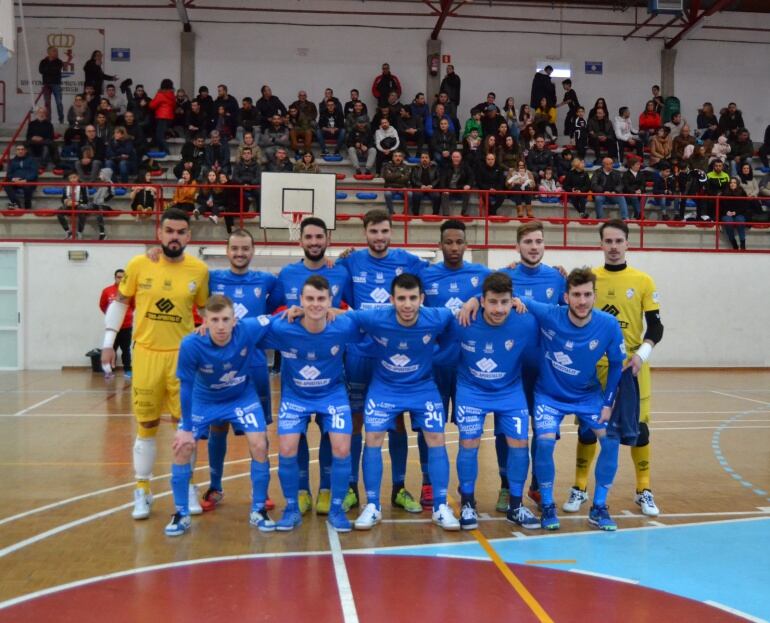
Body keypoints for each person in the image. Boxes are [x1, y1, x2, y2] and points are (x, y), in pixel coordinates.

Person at [101, 208, 209, 520]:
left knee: (184, 427)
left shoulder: (199, 271)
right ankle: (142, 490)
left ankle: (186, 486)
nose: (175, 236)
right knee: (146, 425)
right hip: (146, 354)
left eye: (181, 232)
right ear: (159, 234)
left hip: (182, 359)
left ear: (188, 236)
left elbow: (205, 312)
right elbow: (120, 304)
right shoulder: (138, 265)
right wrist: (108, 345)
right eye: (169, 231)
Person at [564, 220, 664, 518]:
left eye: (619, 241)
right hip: (594, 367)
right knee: (587, 429)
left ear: (627, 243)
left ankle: (643, 489)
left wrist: (641, 356)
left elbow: (656, 326)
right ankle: (580, 487)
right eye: (608, 241)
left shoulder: (643, 281)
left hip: (631, 367)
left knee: (641, 430)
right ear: (601, 244)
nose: (614, 246)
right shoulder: (589, 279)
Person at [349, 273, 459, 531]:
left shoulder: (438, 316)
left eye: (412, 298)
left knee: (436, 438)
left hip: (422, 387)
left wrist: (476, 301)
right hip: (385, 388)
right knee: (373, 437)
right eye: (401, 298)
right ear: (391, 299)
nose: (407, 305)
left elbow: (460, 320)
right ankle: (373, 505)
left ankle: (441, 507)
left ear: (422, 298)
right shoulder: (376, 317)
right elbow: (346, 317)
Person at [336, 210, 429, 513]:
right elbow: (331, 284)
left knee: (396, 421)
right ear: (365, 233)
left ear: (392, 232)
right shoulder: (351, 262)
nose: (379, 237)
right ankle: (351, 488)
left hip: (394, 355)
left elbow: (438, 278)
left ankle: (399, 488)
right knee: (357, 420)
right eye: (374, 232)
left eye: (384, 231)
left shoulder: (409, 261)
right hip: (361, 353)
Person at [521, 267, 626, 531]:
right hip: (548, 394)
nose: (582, 301)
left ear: (594, 296)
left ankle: (599, 507)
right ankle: (546, 504)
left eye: (587, 295)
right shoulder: (549, 314)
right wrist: (478, 298)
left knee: (611, 440)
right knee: (544, 443)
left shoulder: (608, 325)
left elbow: (616, 365)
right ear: (566, 297)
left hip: (588, 395)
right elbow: (513, 296)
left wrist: (608, 402)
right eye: (576, 295)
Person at [168, 294, 274, 536]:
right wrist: (185, 427)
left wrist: (295, 311)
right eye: (214, 320)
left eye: (226, 319)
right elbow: (185, 385)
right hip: (204, 400)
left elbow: (277, 319)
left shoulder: (248, 329)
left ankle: (259, 509)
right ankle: (181, 513)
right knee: (182, 447)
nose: (221, 326)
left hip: (241, 397)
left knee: (260, 443)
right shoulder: (191, 344)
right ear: (204, 320)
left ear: (235, 320)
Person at [270, 218, 354, 515]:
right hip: (296, 374)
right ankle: (302, 490)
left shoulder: (340, 271)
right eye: (309, 237)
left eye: (320, 236)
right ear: (300, 240)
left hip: (331, 366)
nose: (315, 242)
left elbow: (352, 309)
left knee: (334, 437)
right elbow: (275, 310)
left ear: (327, 238)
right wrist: (290, 310)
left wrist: (338, 310)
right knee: (297, 436)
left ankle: (328, 490)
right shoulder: (288, 274)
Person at [265, 276, 360, 532]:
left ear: (329, 301)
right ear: (300, 301)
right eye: (309, 299)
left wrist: (341, 311)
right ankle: (292, 508)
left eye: (321, 299)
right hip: (295, 398)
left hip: (332, 395)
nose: (315, 304)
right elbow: (249, 327)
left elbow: (377, 320)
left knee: (341, 448)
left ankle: (337, 510)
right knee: (286, 448)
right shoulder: (284, 326)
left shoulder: (343, 326)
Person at [195, 229, 279, 512]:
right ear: (227, 251)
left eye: (245, 249)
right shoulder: (213, 279)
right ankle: (216, 486)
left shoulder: (266, 280)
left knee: (258, 430)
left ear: (252, 251)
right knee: (218, 424)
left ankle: (261, 491)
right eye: (235, 249)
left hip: (254, 365)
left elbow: (278, 310)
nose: (240, 254)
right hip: (217, 366)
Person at [451, 272, 540, 529]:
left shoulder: (526, 322)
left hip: (510, 391)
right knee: (469, 442)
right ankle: (467, 502)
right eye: (492, 302)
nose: (498, 309)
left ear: (513, 301)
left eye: (504, 302)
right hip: (471, 390)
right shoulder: (463, 319)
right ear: (482, 301)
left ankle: (516, 505)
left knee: (519, 444)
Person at [418, 220, 490, 507]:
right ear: (440, 245)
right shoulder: (425, 275)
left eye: (459, 242)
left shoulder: (481, 275)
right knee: (430, 427)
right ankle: (427, 481)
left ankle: (466, 485)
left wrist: (477, 297)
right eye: (448, 242)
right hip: (434, 365)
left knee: (468, 429)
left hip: (469, 367)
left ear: (466, 244)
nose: (454, 247)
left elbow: (507, 287)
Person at [100, 269, 133, 378]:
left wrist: (125, 315)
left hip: (126, 326)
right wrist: (112, 317)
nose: (121, 279)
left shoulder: (129, 292)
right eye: (119, 277)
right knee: (111, 348)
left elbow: (133, 305)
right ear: (115, 277)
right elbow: (103, 305)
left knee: (126, 349)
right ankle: (108, 371)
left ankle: (127, 370)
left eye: (123, 277)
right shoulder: (107, 291)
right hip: (113, 327)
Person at [439, 150, 474, 216]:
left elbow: (471, 177)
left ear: (461, 158)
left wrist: (468, 185)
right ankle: (446, 215)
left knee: (467, 192)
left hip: (460, 187)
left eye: (457, 157)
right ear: (451, 158)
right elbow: (442, 179)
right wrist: (444, 188)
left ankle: (464, 212)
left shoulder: (465, 166)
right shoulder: (446, 166)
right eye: (454, 157)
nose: (456, 159)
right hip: (449, 188)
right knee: (444, 194)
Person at [4, 145, 38, 210]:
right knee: (6, 185)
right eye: (18, 149)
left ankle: (28, 207)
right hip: (15, 181)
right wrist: (13, 179)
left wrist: (25, 180)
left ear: (25, 151)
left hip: (27, 181)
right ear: (16, 151)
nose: (20, 151)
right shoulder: (12, 161)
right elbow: (9, 174)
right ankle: (17, 205)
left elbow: (34, 173)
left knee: (28, 186)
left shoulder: (32, 160)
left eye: (22, 149)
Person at [720, 177, 750, 250]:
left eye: (734, 182)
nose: (732, 184)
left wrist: (736, 212)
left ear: (737, 184)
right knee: (728, 222)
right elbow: (720, 206)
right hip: (726, 213)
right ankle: (733, 242)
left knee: (740, 221)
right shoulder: (724, 193)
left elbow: (745, 206)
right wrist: (726, 212)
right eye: (731, 182)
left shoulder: (742, 192)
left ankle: (742, 243)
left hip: (739, 213)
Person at [149, 79, 176, 154]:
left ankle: (167, 153)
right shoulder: (172, 95)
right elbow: (174, 106)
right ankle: (162, 152)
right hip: (170, 118)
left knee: (159, 137)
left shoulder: (161, 94)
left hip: (162, 117)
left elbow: (152, 105)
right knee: (161, 136)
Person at [39, 46, 64, 124]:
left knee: (59, 102)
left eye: (56, 51)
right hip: (46, 85)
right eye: (54, 51)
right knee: (47, 103)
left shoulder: (59, 62)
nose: (56, 52)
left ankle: (61, 119)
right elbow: (41, 70)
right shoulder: (43, 61)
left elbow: (55, 70)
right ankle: (48, 121)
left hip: (56, 84)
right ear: (49, 52)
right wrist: (49, 66)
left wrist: (48, 69)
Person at [382, 150, 411, 215]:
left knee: (409, 194)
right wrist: (400, 174)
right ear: (393, 158)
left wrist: (393, 175)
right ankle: (391, 212)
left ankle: (405, 212)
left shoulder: (406, 166)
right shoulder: (387, 166)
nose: (398, 158)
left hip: (403, 187)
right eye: (396, 156)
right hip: (390, 187)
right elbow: (387, 177)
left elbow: (406, 178)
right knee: (387, 194)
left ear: (402, 158)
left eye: (399, 156)